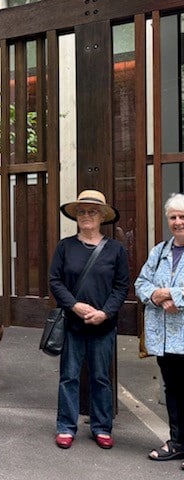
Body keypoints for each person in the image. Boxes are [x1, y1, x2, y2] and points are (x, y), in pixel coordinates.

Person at [49, 190, 129, 450]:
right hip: (72, 324)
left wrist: (105, 312)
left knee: (101, 378)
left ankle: (102, 427)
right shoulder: (65, 246)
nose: (86, 216)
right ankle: (65, 426)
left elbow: (122, 286)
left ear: (102, 216)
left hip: (103, 326)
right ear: (76, 216)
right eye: (81, 211)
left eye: (92, 211)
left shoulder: (116, 250)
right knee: (69, 376)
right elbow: (55, 281)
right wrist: (74, 305)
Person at [135, 193, 184, 467]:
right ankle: (177, 442)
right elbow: (141, 283)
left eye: (182, 217)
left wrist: (173, 295)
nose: (177, 222)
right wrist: (156, 296)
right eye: (173, 217)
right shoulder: (160, 251)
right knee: (173, 391)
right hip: (165, 339)